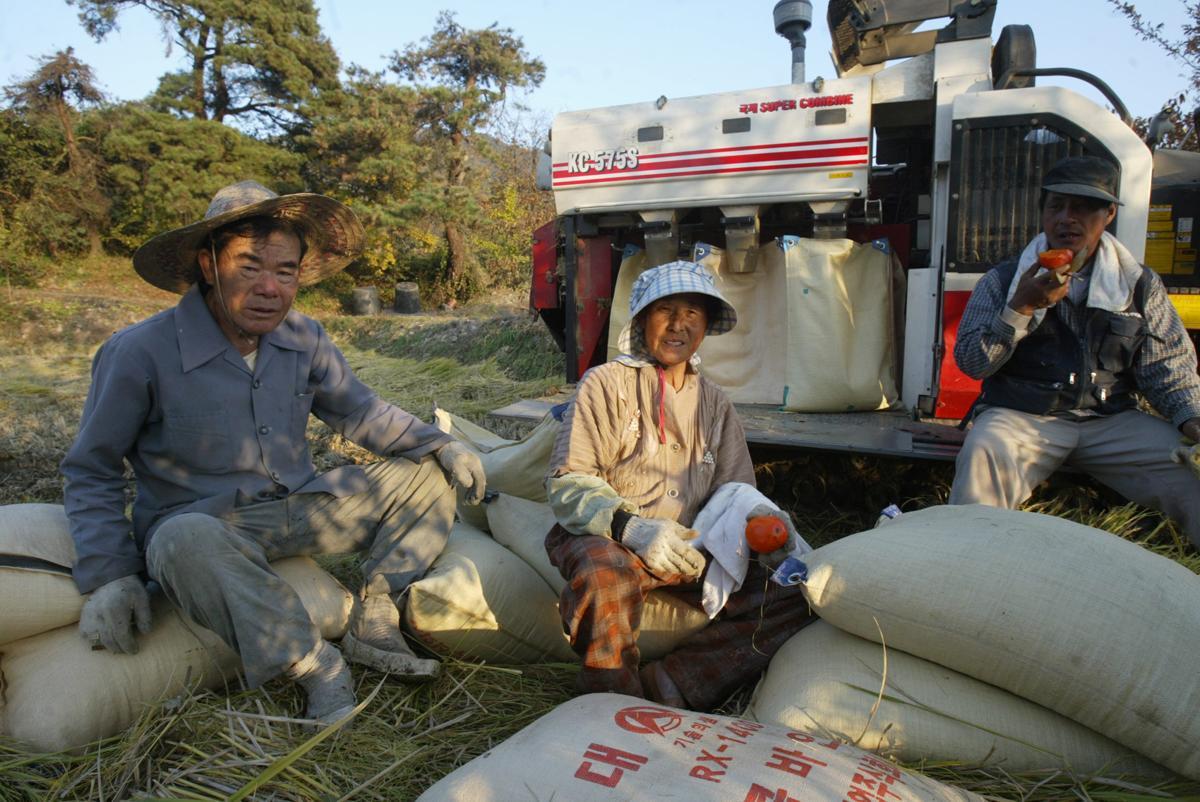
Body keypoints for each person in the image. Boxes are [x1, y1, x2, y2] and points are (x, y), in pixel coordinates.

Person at [61, 181, 486, 724]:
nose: (270, 288)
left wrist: (440, 444)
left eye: (285, 272)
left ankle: (377, 612)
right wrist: (109, 575)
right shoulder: (139, 351)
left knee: (425, 477)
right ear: (209, 265)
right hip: (207, 523)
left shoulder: (304, 338)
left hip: (300, 503)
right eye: (250, 267)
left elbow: (360, 412)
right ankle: (316, 664)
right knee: (179, 538)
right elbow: (91, 469)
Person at [543, 260, 814, 710]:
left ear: (706, 326)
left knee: (792, 594)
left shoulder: (714, 402)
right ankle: (608, 699)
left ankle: (673, 683)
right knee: (603, 574)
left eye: (692, 313)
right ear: (642, 319)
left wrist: (761, 521)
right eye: (665, 310)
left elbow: (735, 492)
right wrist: (634, 529)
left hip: (688, 548)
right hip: (612, 538)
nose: (678, 325)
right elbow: (568, 481)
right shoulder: (605, 384)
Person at [950, 156, 1200, 546]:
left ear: (1109, 214)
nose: (1067, 218)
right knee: (984, 450)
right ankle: (968, 566)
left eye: (1082, 207)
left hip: (1111, 421)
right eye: (1056, 207)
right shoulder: (1003, 279)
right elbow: (972, 363)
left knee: (1190, 470)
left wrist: (1191, 418)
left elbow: (1167, 367)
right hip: (1024, 417)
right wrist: (1020, 307)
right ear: (1043, 214)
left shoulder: (1138, 284)